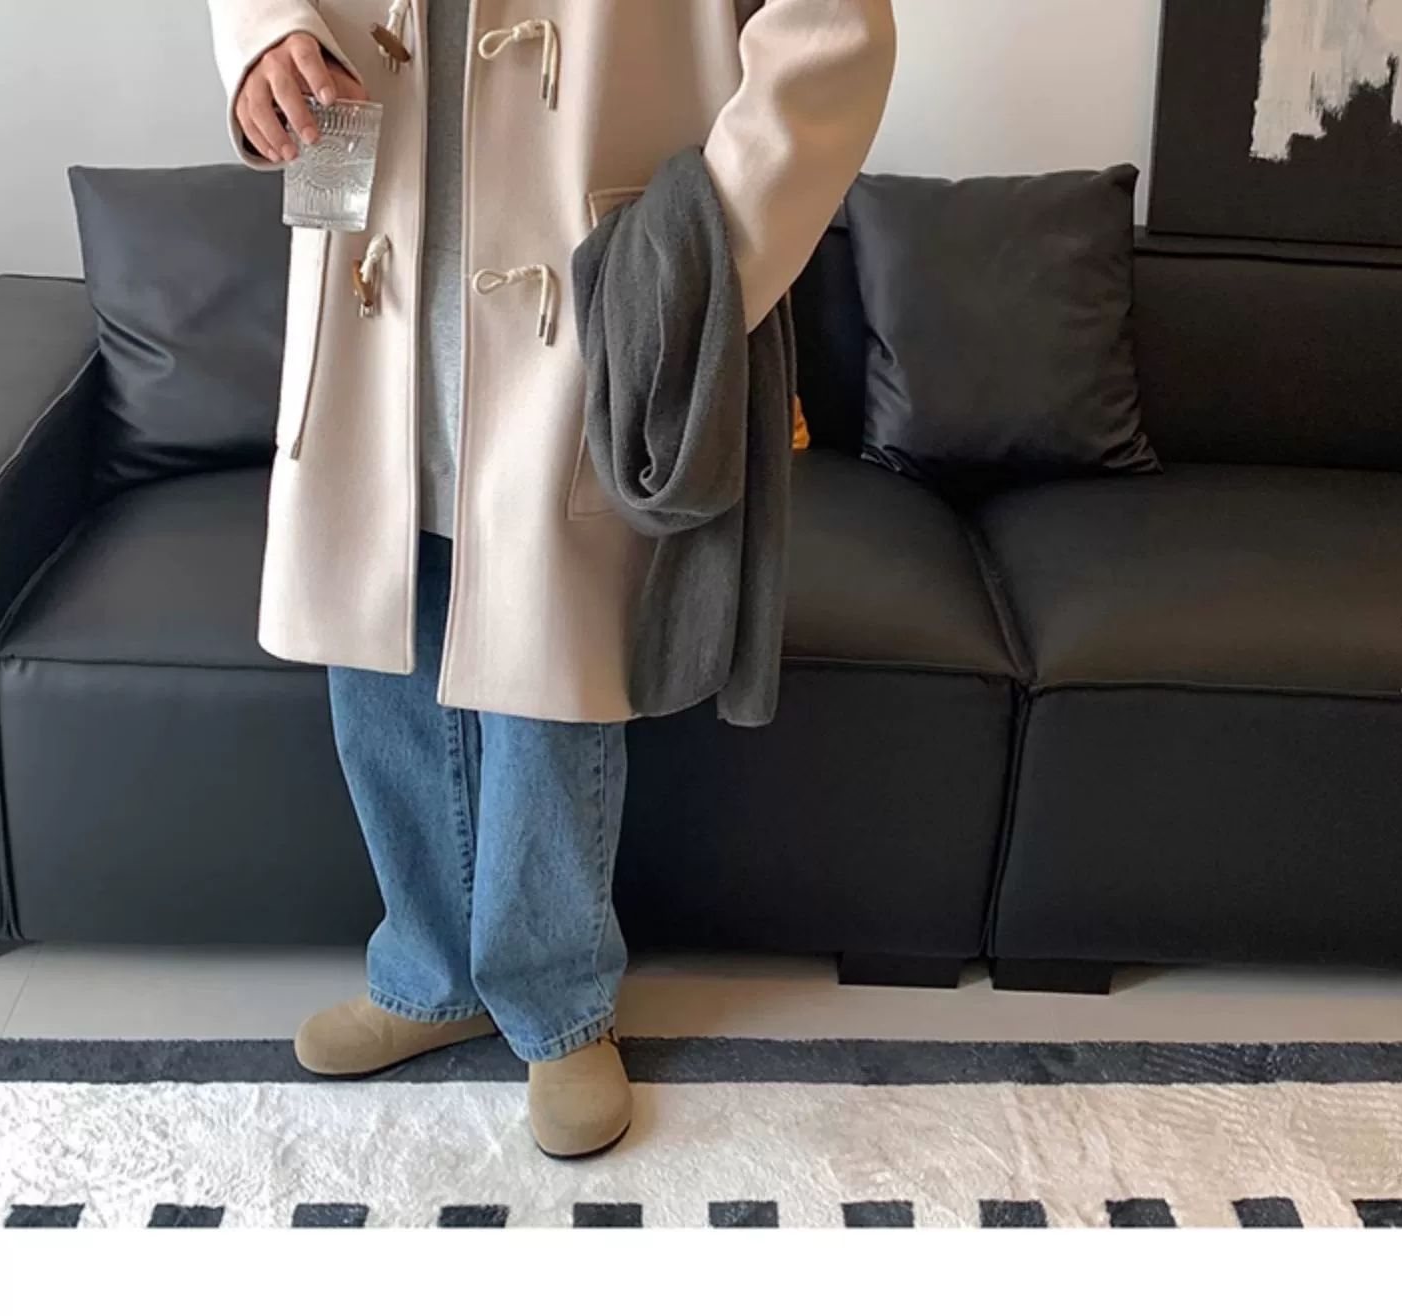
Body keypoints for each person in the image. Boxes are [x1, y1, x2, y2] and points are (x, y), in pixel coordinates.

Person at [206, 0, 896, 1159]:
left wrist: (701, 252)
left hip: (577, 295)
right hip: (374, 257)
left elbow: (836, 31)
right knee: (380, 644)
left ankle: (558, 1001)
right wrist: (264, 34)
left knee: (550, 666)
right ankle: (428, 972)